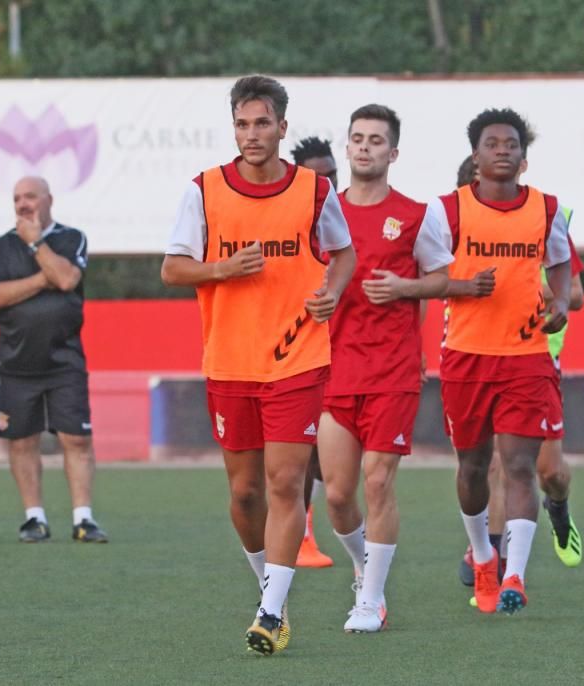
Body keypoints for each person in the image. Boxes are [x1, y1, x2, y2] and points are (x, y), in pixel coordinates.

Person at [161, 75, 356, 655]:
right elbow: (173, 270)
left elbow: (343, 254)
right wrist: (222, 269)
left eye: (263, 123)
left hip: (297, 358)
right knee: (245, 494)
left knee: (284, 482)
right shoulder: (204, 190)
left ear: (282, 128)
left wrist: (332, 292)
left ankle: (269, 614)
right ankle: (272, 592)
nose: (252, 134)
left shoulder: (314, 191)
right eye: (243, 124)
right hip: (229, 362)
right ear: (234, 128)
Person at [431, 107, 572, 614]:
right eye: (492, 143)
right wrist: (461, 287)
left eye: (511, 143)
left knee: (518, 467)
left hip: (526, 356)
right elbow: (425, 275)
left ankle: (514, 576)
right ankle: (484, 557)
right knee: (471, 468)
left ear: (523, 156)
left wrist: (557, 303)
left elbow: (560, 266)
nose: (503, 150)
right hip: (466, 357)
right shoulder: (447, 211)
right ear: (475, 155)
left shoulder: (546, 209)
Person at [317, 105, 451, 633]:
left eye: (376, 140)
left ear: (392, 153)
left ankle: (370, 601)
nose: (365, 147)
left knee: (378, 482)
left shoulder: (417, 215)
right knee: (335, 493)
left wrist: (405, 288)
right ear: (346, 148)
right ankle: (363, 565)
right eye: (357, 138)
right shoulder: (324, 214)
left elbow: (442, 278)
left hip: (393, 370)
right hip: (334, 368)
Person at [451, 150, 584, 589]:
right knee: (492, 464)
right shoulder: (453, 220)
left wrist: (528, 283)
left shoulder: (545, 217)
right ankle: (492, 560)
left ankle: (559, 509)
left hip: (537, 355)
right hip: (480, 356)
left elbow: (577, 293)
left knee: (548, 472)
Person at [0, 176, 108, 544]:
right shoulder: (0, 247)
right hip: (16, 362)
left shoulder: (72, 238)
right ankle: (33, 518)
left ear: (48, 200)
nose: (23, 204)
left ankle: (83, 518)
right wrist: (42, 279)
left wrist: (36, 243)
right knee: (21, 441)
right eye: (17, 197)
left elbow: (67, 279)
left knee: (76, 439)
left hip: (64, 359)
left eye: (30, 197)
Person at [289, 135, 339, 569]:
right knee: (302, 452)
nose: (327, 183)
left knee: (330, 460)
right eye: (317, 176)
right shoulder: (289, 222)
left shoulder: (347, 224)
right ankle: (301, 534)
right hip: (302, 353)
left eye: (331, 175)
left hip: (348, 355)